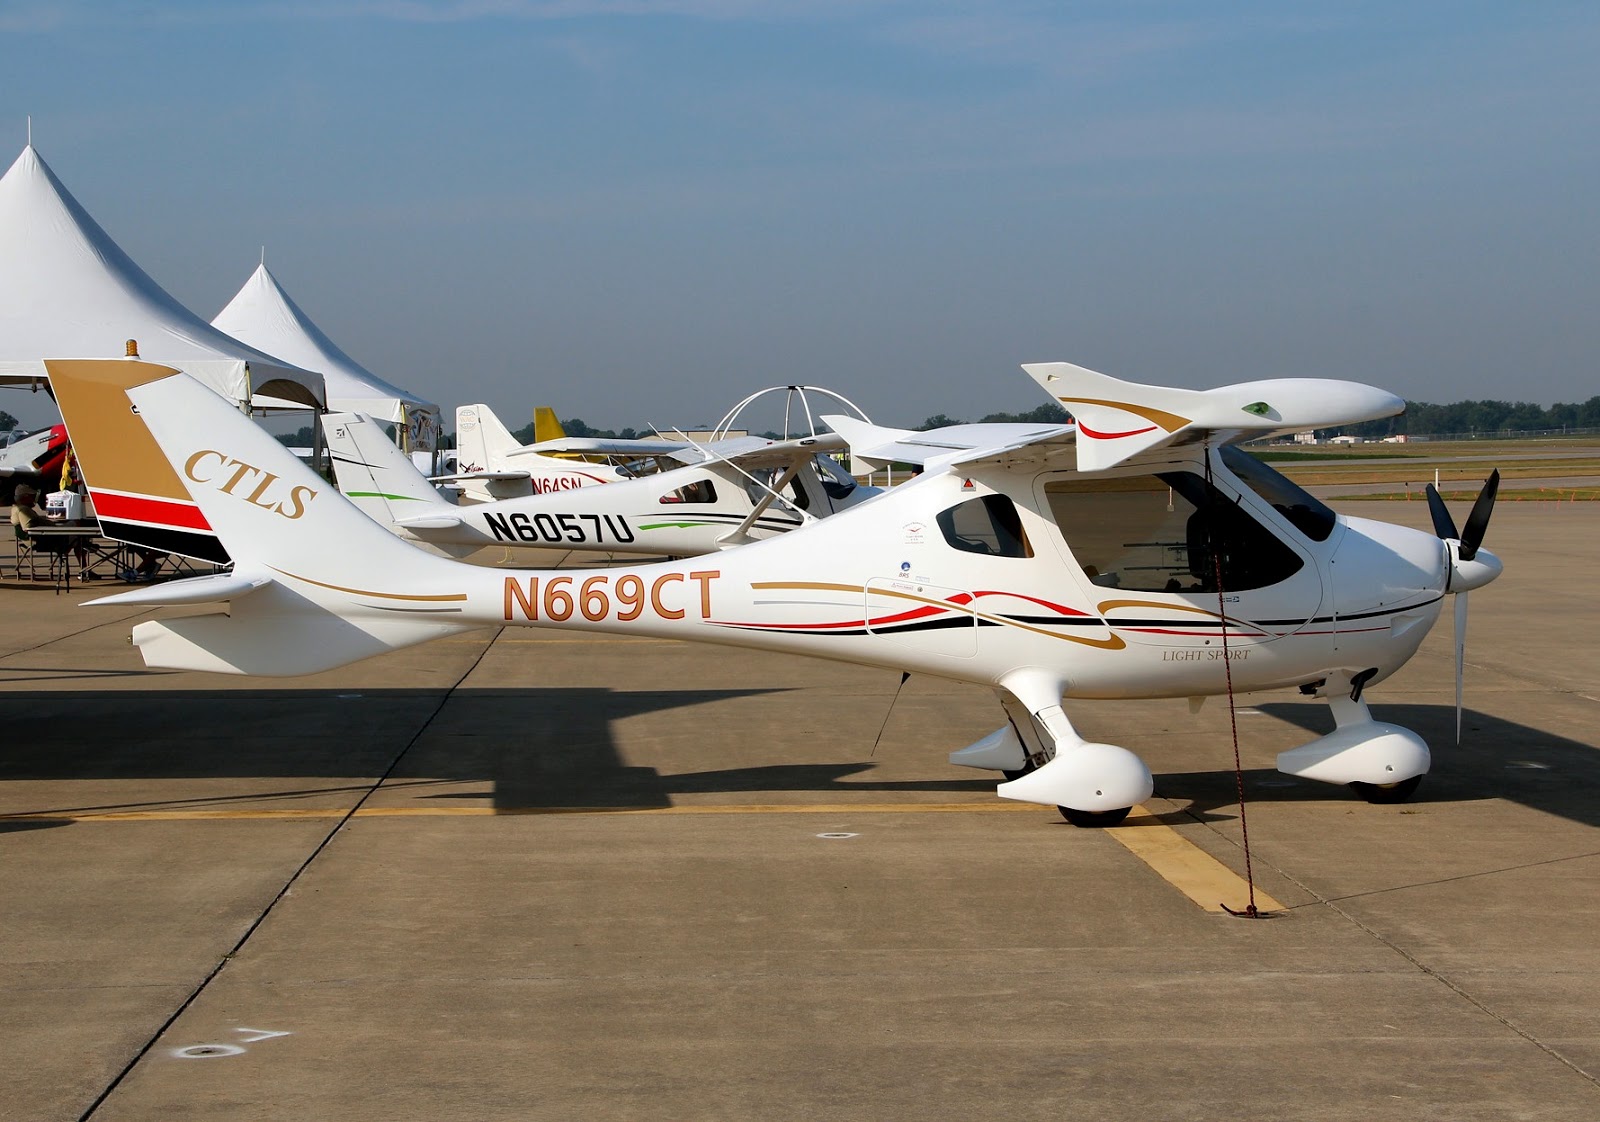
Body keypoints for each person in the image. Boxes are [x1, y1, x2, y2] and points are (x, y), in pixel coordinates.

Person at [10, 483, 98, 580]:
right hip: (44, 539)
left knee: (77, 536)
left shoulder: (18, 508)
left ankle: (82, 553)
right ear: (25, 497)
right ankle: (83, 561)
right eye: (31, 496)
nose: (33, 499)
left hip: (45, 535)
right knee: (77, 527)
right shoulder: (23, 510)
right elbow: (28, 528)